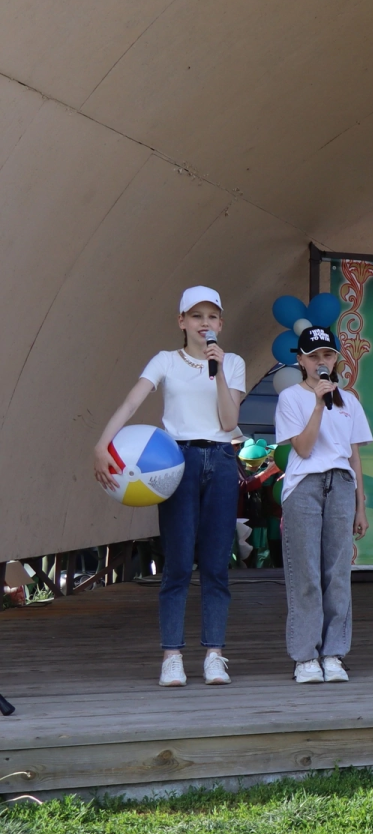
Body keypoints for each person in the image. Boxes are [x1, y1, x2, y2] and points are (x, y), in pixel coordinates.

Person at [92, 286, 247, 687]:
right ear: (182, 322)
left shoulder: (233, 363)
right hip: (177, 462)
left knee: (216, 565)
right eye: (196, 316)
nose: (205, 324)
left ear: (221, 323)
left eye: (212, 317)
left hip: (222, 458)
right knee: (178, 563)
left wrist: (219, 372)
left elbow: (229, 421)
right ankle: (172, 655)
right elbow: (131, 403)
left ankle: (215, 653)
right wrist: (101, 444)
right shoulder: (165, 360)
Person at [275, 326, 372, 683]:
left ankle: (333, 653)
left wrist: (361, 506)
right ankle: (305, 657)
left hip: (342, 484)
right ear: (300, 361)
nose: (321, 362)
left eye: (327, 355)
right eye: (313, 356)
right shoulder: (291, 398)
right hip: (306, 486)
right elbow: (301, 448)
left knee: (337, 574)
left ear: (336, 359)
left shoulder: (350, 401)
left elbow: (355, 456)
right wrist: (318, 403)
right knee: (306, 574)